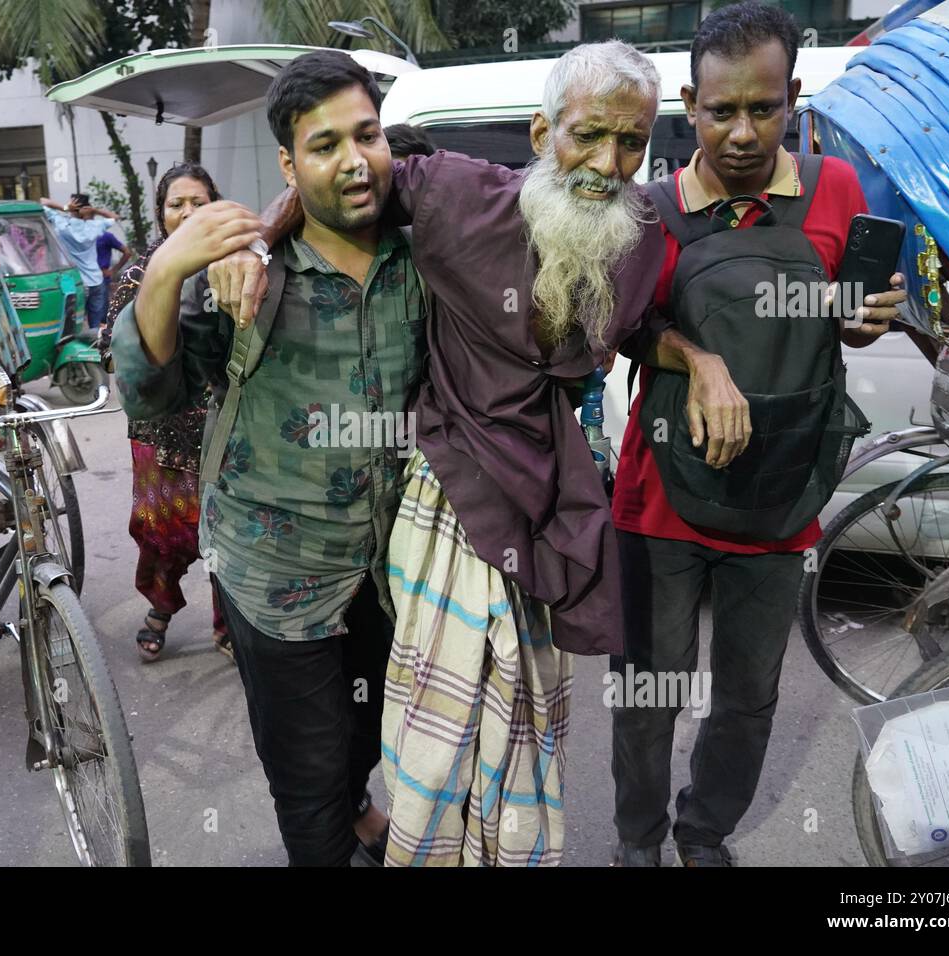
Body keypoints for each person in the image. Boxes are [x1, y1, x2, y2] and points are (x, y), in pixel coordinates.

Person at [211, 41, 673, 865]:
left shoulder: (641, 239)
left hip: (547, 512)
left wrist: (701, 361)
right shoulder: (457, 196)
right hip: (445, 506)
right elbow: (339, 185)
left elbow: (645, 328)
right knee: (429, 750)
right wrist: (252, 243)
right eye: (587, 135)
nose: (607, 163)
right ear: (541, 132)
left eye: (631, 142)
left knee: (518, 737)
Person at [608, 1, 906, 868]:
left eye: (763, 109)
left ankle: (704, 835)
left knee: (747, 695)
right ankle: (637, 844)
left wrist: (861, 322)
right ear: (687, 104)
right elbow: (623, 330)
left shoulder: (836, 190)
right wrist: (697, 360)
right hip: (660, 501)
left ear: (794, 99)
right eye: (721, 110)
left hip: (782, 493)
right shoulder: (649, 208)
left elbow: (841, 318)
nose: (741, 133)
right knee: (647, 694)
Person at [112, 52, 422, 866]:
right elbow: (152, 393)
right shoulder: (248, 278)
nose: (354, 160)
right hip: (272, 574)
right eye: (324, 146)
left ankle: (352, 805)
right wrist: (169, 269)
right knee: (308, 778)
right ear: (290, 163)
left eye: (367, 135)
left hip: (386, 569)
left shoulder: (423, 258)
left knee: (370, 732)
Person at [98, 163, 231, 664]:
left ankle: (227, 625)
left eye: (199, 201)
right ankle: (161, 608)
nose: (188, 212)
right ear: (161, 214)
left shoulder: (233, 265)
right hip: (159, 433)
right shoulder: (140, 274)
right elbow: (111, 353)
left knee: (227, 535)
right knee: (161, 534)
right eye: (177, 204)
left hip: (223, 430)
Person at [39, 194, 119, 327]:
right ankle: (95, 346)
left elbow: (42, 201)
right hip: (96, 281)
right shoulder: (95, 226)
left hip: (76, 283)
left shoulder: (61, 223)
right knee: (95, 325)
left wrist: (65, 207)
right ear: (86, 208)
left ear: (72, 207)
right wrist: (95, 210)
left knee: (75, 325)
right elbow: (115, 217)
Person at [91, 225, 128, 330]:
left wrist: (113, 271)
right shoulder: (79, 237)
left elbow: (127, 252)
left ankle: (100, 338)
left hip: (101, 280)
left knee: (100, 316)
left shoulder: (105, 236)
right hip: (85, 280)